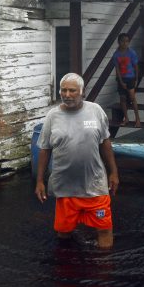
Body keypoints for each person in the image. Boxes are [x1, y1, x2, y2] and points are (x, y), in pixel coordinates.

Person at [35, 73, 120, 249]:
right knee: (63, 233)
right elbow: (45, 149)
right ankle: (68, 271)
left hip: (95, 185)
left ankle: (103, 271)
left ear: (82, 92)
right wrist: (40, 181)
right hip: (65, 187)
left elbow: (105, 142)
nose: (67, 94)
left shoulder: (96, 111)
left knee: (104, 230)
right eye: (63, 90)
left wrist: (114, 172)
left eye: (72, 90)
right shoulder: (52, 116)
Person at [112, 33, 141, 127]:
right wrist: (120, 81)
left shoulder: (131, 53)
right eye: (122, 41)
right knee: (123, 99)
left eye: (127, 41)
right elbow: (117, 70)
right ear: (119, 42)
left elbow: (136, 66)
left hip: (131, 78)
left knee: (132, 98)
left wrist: (136, 79)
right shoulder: (116, 54)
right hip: (122, 79)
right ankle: (126, 118)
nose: (125, 43)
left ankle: (137, 119)